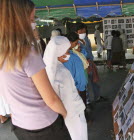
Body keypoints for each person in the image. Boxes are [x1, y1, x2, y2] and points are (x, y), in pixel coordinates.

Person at [0, 0, 71, 140]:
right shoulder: (27, 53)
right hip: (45, 125)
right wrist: (66, 115)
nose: (34, 24)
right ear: (19, 20)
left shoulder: (4, 51)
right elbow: (51, 99)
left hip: (20, 124)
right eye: (32, 19)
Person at [43, 36, 87, 140]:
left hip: (61, 115)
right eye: (66, 51)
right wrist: (69, 117)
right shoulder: (61, 73)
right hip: (73, 113)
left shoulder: (48, 68)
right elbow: (68, 100)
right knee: (79, 134)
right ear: (58, 52)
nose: (68, 54)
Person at [59, 32, 89, 107]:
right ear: (69, 43)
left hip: (68, 89)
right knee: (80, 108)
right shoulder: (73, 57)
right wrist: (79, 89)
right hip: (77, 89)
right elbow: (78, 76)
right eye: (76, 43)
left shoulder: (60, 57)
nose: (77, 45)